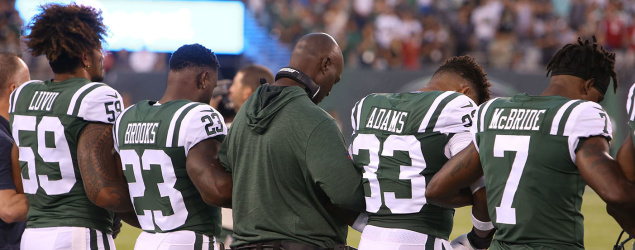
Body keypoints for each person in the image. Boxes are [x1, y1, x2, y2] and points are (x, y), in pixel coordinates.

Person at [426, 36, 635, 249]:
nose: (596, 103)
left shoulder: (492, 111)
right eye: (597, 98)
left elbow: (436, 190)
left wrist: (496, 197)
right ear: (589, 86)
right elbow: (616, 194)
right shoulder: (578, 114)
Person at [219, 33, 365, 249]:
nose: (331, 88)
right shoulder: (316, 120)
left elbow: (226, 176)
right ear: (325, 64)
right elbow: (350, 195)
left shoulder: (242, 114)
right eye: (335, 78)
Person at [11, 3, 128, 249]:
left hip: (33, 235)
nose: (102, 55)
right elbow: (104, 184)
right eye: (98, 48)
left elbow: (17, 155)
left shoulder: (23, 95)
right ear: (85, 56)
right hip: (79, 231)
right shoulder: (97, 95)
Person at [349, 55, 494, 250]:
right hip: (422, 241)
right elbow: (482, 190)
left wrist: (370, 229)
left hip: (369, 241)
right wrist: (479, 239)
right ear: (464, 93)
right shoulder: (457, 105)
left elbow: (341, 191)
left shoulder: (365, 106)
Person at [113, 43, 232, 249]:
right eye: (212, 85)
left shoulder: (127, 117)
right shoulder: (199, 115)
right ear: (204, 78)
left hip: (146, 240)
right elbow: (217, 191)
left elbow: (116, 194)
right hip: (189, 239)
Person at [220, 64, 274, 246]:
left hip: (230, 230)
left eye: (235, 84)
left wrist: (209, 111)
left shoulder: (225, 132)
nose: (230, 90)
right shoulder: (282, 132)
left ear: (247, 92)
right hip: (271, 233)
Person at [0, 52, 30, 249]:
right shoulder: (3, 142)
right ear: (14, 90)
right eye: (28, 86)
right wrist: (60, 191)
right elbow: (8, 209)